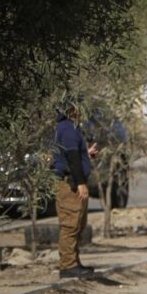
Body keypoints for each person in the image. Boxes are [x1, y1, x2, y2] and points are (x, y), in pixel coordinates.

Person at [52, 105, 98, 278]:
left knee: (78, 223)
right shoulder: (68, 128)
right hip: (69, 183)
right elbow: (71, 157)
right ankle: (67, 266)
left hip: (72, 181)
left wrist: (86, 153)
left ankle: (74, 263)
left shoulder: (68, 128)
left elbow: (70, 154)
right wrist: (80, 182)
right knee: (70, 225)